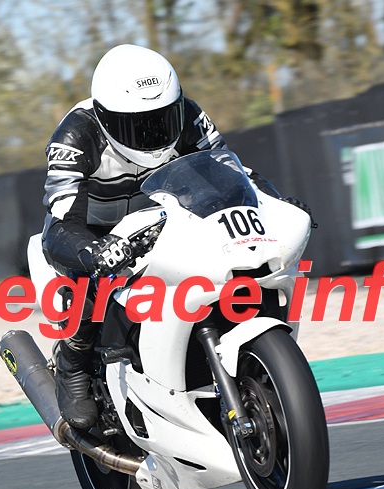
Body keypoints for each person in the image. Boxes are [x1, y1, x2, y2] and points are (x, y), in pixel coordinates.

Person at [40, 44, 286, 430]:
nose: (152, 133)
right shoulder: (75, 135)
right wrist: (93, 250)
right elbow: (60, 221)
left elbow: (230, 171)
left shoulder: (191, 116)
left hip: (167, 214)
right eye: (136, 126)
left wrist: (275, 202)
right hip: (97, 227)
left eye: (162, 120)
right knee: (89, 284)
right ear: (105, 117)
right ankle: (74, 364)